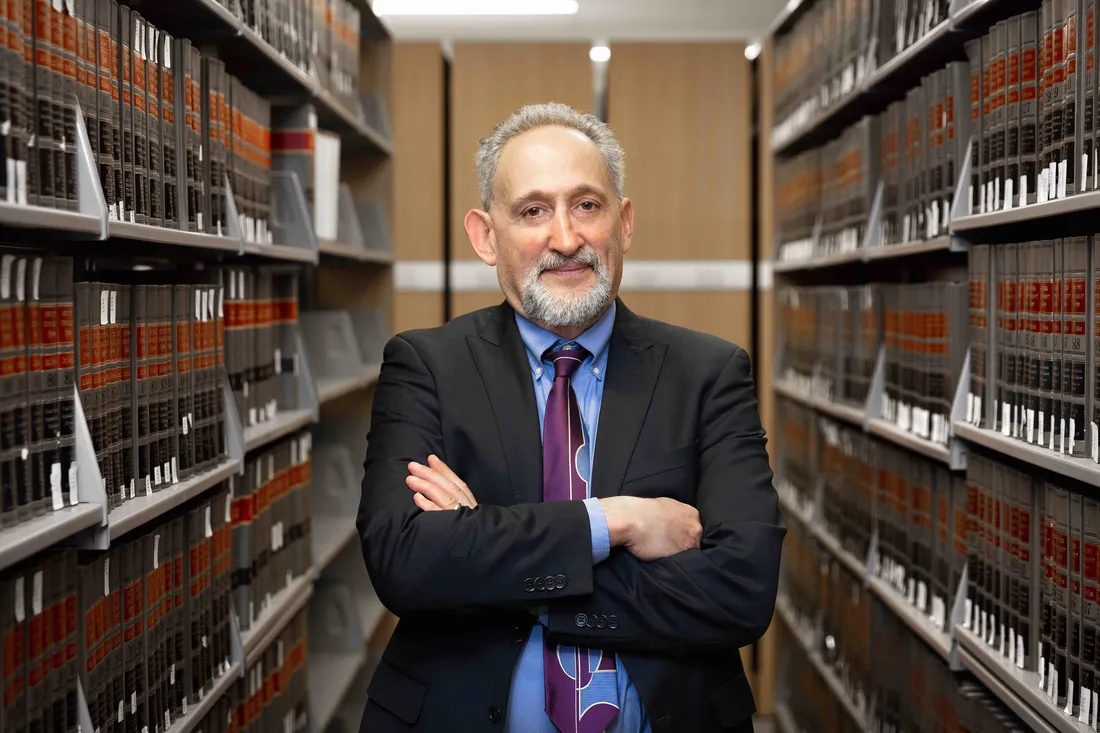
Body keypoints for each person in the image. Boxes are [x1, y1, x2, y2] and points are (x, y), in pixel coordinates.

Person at [356, 102, 785, 733]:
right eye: (533, 211)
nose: (565, 238)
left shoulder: (708, 373)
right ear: (484, 235)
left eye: (587, 205)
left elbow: (742, 590)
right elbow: (405, 562)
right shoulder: (427, 367)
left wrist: (485, 551)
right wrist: (617, 521)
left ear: (625, 221)